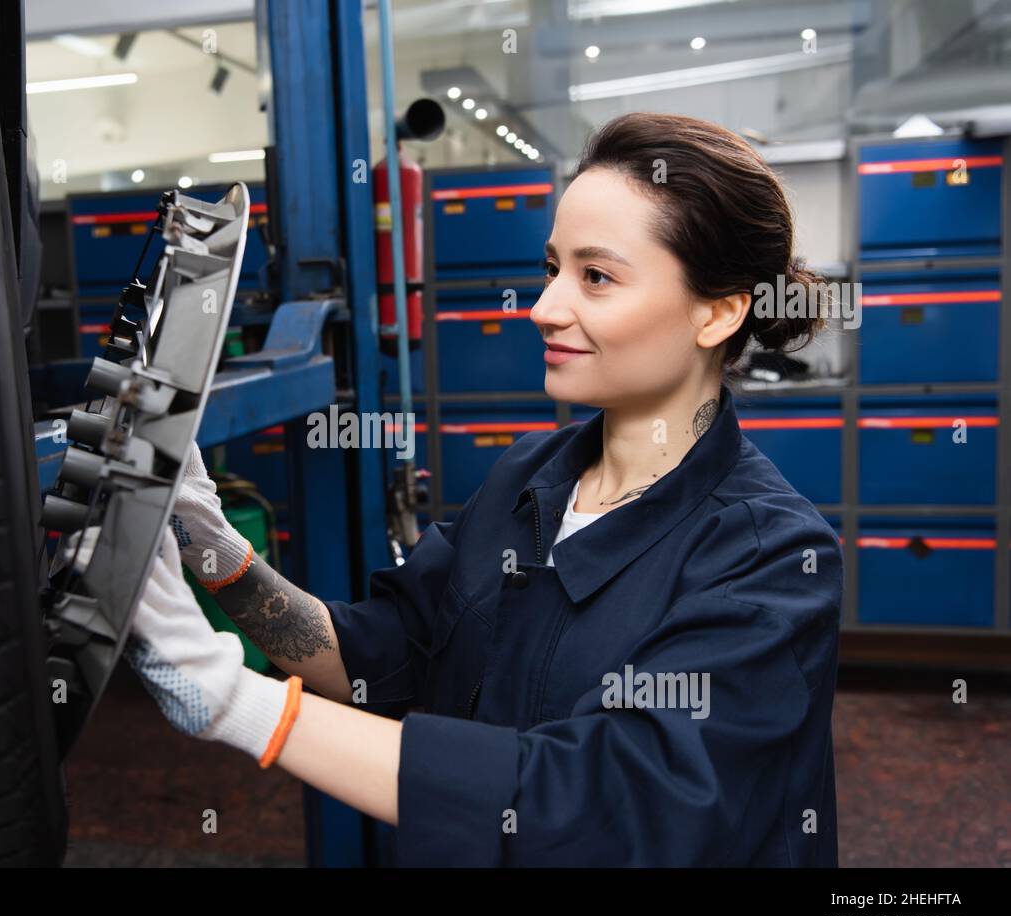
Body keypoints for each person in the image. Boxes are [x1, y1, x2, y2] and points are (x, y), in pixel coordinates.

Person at [77, 112, 844, 866]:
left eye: (597, 277)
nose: (545, 308)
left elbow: (607, 800)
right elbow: (378, 653)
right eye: (552, 269)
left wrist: (235, 702)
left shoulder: (769, 558)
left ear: (718, 311)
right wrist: (209, 544)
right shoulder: (529, 479)